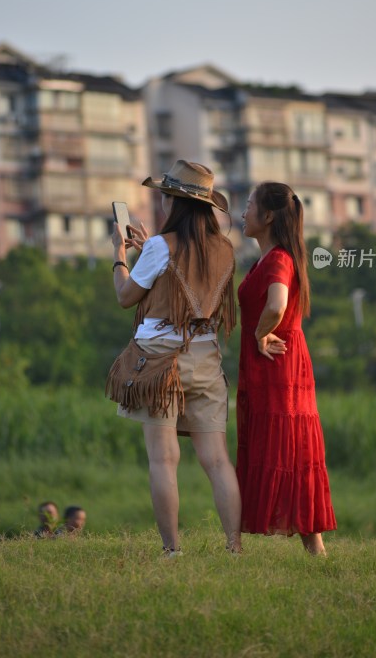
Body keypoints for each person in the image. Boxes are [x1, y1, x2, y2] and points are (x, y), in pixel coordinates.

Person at [110, 160, 242, 556]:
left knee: (164, 460)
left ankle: (172, 551)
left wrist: (119, 254)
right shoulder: (224, 249)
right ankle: (234, 549)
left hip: (159, 362)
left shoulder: (159, 248)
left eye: (165, 197)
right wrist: (150, 248)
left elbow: (125, 296)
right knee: (217, 460)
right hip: (206, 358)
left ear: (175, 203)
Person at [236, 182, 336, 555]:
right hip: (276, 364)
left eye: (248, 206)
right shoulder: (269, 257)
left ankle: (314, 548)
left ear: (268, 216)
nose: (242, 213)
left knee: (290, 447)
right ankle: (315, 550)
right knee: (292, 448)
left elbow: (277, 305)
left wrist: (261, 336)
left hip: (278, 363)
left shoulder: (278, 259)